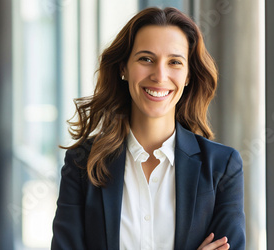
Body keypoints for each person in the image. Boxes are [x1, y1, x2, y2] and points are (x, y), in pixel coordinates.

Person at [51, 7, 245, 250]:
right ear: (123, 68)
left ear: (188, 75)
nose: (160, 75)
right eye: (146, 59)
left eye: (174, 62)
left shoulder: (222, 166)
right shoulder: (82, 164)